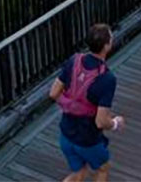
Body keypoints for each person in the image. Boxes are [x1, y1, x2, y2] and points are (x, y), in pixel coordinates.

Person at [50, 23, 124, 182]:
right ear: (106, 46)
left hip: (66, 133)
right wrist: (116, 123)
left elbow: (53, 93)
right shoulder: (106, 78)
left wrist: (72, 105)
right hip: (87, 139)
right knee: (102, 168)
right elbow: (100, 121)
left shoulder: (74, 60)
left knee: (79, 173)